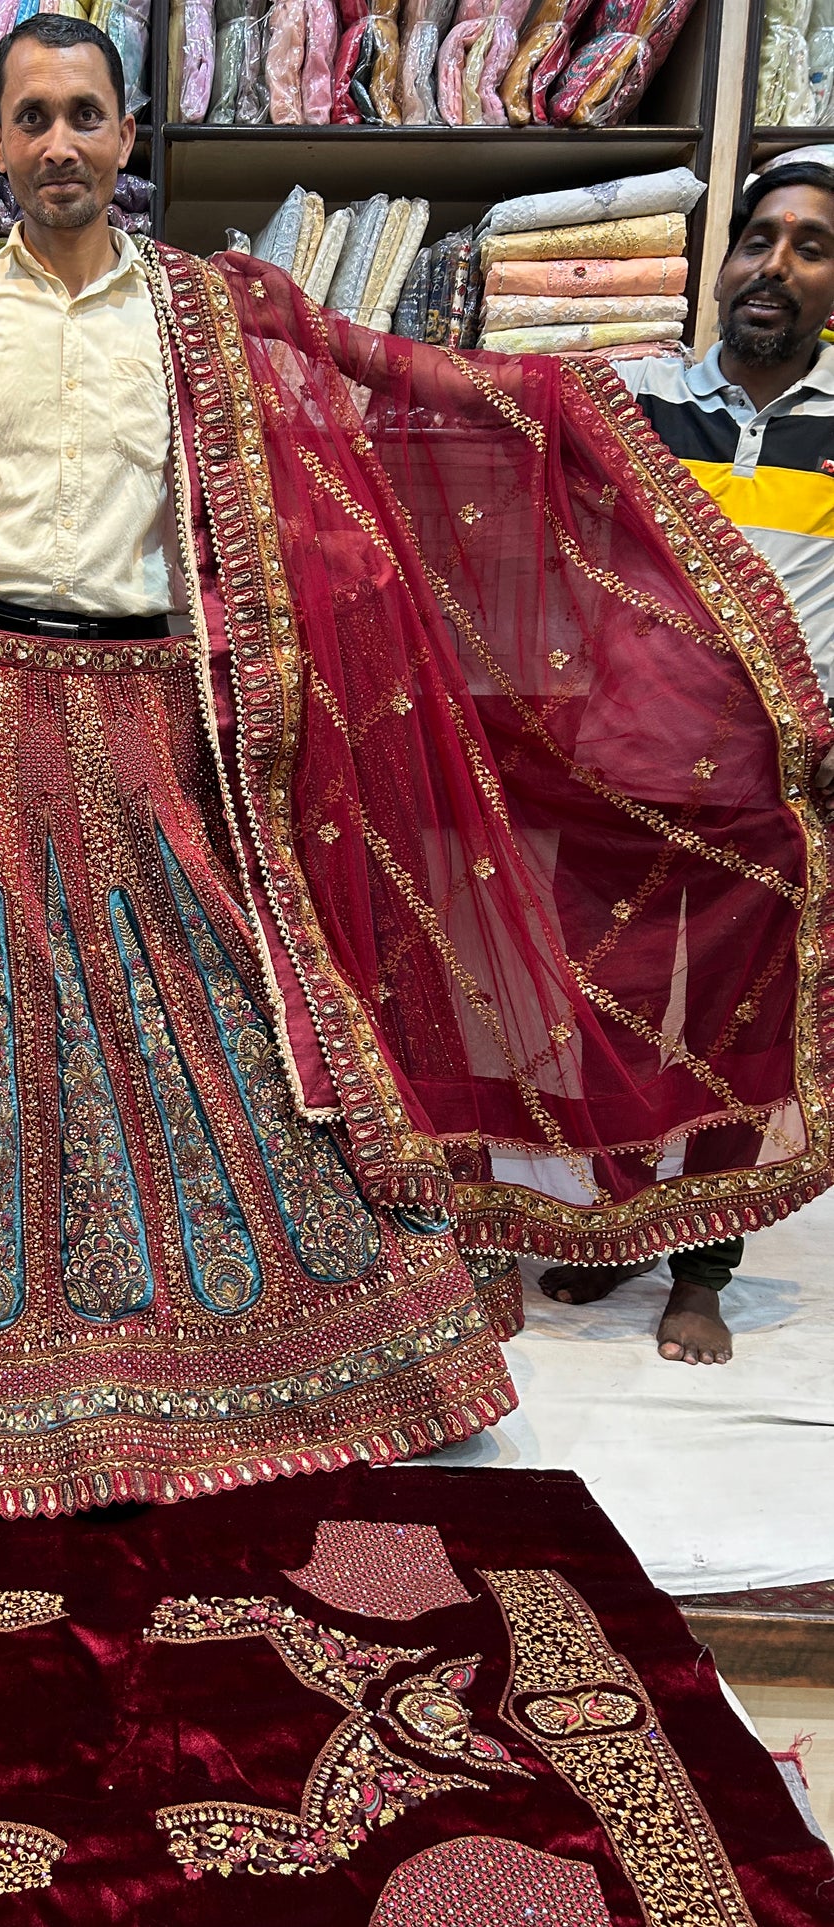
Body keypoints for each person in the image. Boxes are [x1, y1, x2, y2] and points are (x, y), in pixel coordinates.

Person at [0, 18, 834, 1517]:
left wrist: (560, 414)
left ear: (128, 138)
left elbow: (377, 396)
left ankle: (292, 1340)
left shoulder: (206, 310)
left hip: (150, 708)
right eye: (29, 119)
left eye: (84, 116)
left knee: (212, 1026)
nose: (58, 144)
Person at [539, 162, 834, 1367]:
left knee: (730, 1038)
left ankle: (699, 1269)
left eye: (809, 246)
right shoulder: (629, 403)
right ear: (720, 262)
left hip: (767, 800)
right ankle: (610, 1226)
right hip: (618, 772)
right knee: (595, 1011)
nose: (772, 264)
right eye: (754, 239)